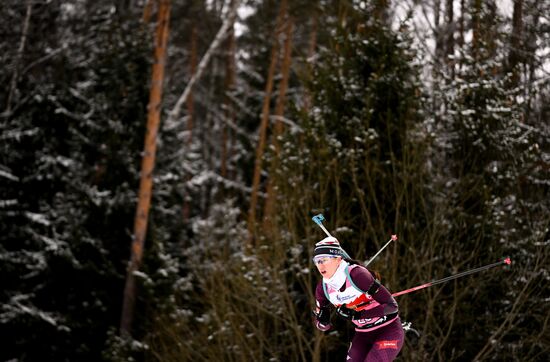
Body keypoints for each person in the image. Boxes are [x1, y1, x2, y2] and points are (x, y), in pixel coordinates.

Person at [312, 236, 404, 361]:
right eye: (317, 261)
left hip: (388, 330)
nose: (320, 265)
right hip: (363, 335)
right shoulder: (323, 288)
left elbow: (392, 307)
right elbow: (322, 327)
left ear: (338, 259)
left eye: (324, 260)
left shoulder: (357, 275)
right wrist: (323, 320)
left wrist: (359, 315)